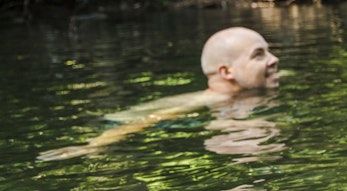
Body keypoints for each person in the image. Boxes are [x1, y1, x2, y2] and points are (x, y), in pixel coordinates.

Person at [38, 26, 279, 160]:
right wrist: (92, 146)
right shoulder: (209, 100)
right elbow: (149, 120)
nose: (274, 60)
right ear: (226, 72)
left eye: (269, 52)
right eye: (259, 55)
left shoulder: (250, 88)